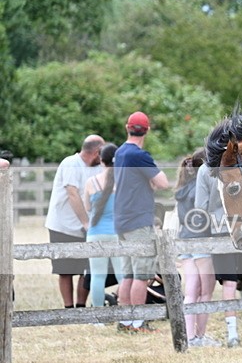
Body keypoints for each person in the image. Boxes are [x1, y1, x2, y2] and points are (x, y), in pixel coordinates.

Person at [195, 161, 242, 348]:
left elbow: (200, 205)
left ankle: (232, 334)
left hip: (220, 229)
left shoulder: (205, 170)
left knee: (229, 283)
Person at [114, 111, 170, 333]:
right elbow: (163, 182)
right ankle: (138, 322)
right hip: (138, 220)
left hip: (122, 220)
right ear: (147, 130)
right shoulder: (139, 155)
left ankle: (125, 321)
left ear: (127, 128)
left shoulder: (119, 152)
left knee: (128, 274)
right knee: (142, 275)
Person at [44, 134, 105, 308]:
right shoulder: (70, 163)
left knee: (87, 269)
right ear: (95, 152)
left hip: (89, 226)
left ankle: (80, 306)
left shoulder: (98, 168)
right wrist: (86, 223)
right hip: (63, 225)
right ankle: (68, 308)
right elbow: (73, 194)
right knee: (65, 270)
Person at [175, 149, 220, 347]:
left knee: (191, 290)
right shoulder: (200, 186)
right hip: (201, 238)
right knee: (206, 290)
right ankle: (198, 336)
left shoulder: (181, 189)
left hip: (185, 238)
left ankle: (190, 336)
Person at [83, 143, 125, 310]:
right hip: (116, 233)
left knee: (97, 276)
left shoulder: (91, 182)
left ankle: (98, 316)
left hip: (95, 233)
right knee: (122, 274)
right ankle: (127, 311)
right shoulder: (122, 182)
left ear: (101, 160)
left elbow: (87, 207)